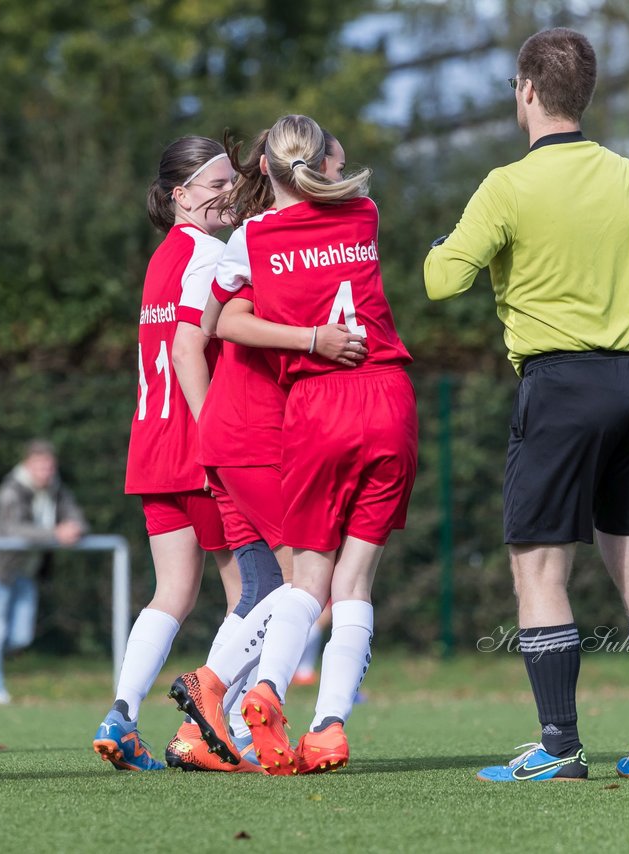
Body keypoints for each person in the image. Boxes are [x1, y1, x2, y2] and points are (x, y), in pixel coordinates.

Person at [424, 28, 629, 782]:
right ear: (583, 96)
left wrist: (445, 245)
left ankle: (560, 746)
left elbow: (441, 281)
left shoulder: (507, 186)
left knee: (539, 572)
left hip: (560, 388)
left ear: (527, 90)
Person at [180, 115, 417, 776]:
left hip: (315, 407)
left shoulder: (251, 238)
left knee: (305, 580)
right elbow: (331, 178)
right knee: (355, 581)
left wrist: (308, 337)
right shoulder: (364, 214)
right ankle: (331, 726)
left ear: (264, 169)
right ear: (321, 164)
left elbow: (218, 320)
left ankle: (263, 688)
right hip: (387, 396)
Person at [91, 136, 241, 772]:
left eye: (233, 180)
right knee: (252, 593)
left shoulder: (164, 256)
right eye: (216, 184)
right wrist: (219, 442)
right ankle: (223, 726)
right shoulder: (211, 254)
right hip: (195, 444)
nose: (229, 192)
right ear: (179, 196)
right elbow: (190, 354)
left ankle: (121, 714)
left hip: (151, 442)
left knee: (173, 593)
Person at [0, 439, 87, 705]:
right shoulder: (11, 490)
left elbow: (76, 516)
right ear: (27, 465)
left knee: (20, 636)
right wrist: (55, 534)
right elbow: (16, 530)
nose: (45, 473)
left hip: (25, 573)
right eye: (40, 467)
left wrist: (75, 528)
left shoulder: (57, 490)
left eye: (49, 467)